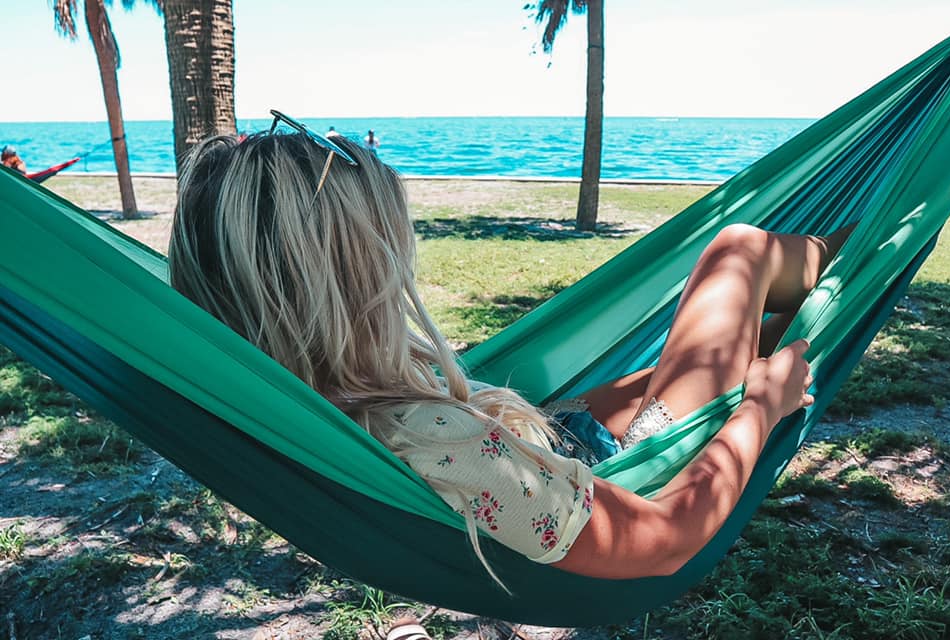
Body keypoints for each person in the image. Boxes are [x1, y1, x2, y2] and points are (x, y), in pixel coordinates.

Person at [168, 120, 852, 583]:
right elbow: (666, 539)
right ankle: (866, 238)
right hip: (614, 471)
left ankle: (823, 283)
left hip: (550, 437)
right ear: (355, 278)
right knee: (735, 253)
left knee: (736, 334)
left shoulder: (289, 398)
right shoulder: (441, 444)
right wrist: (760, 409)